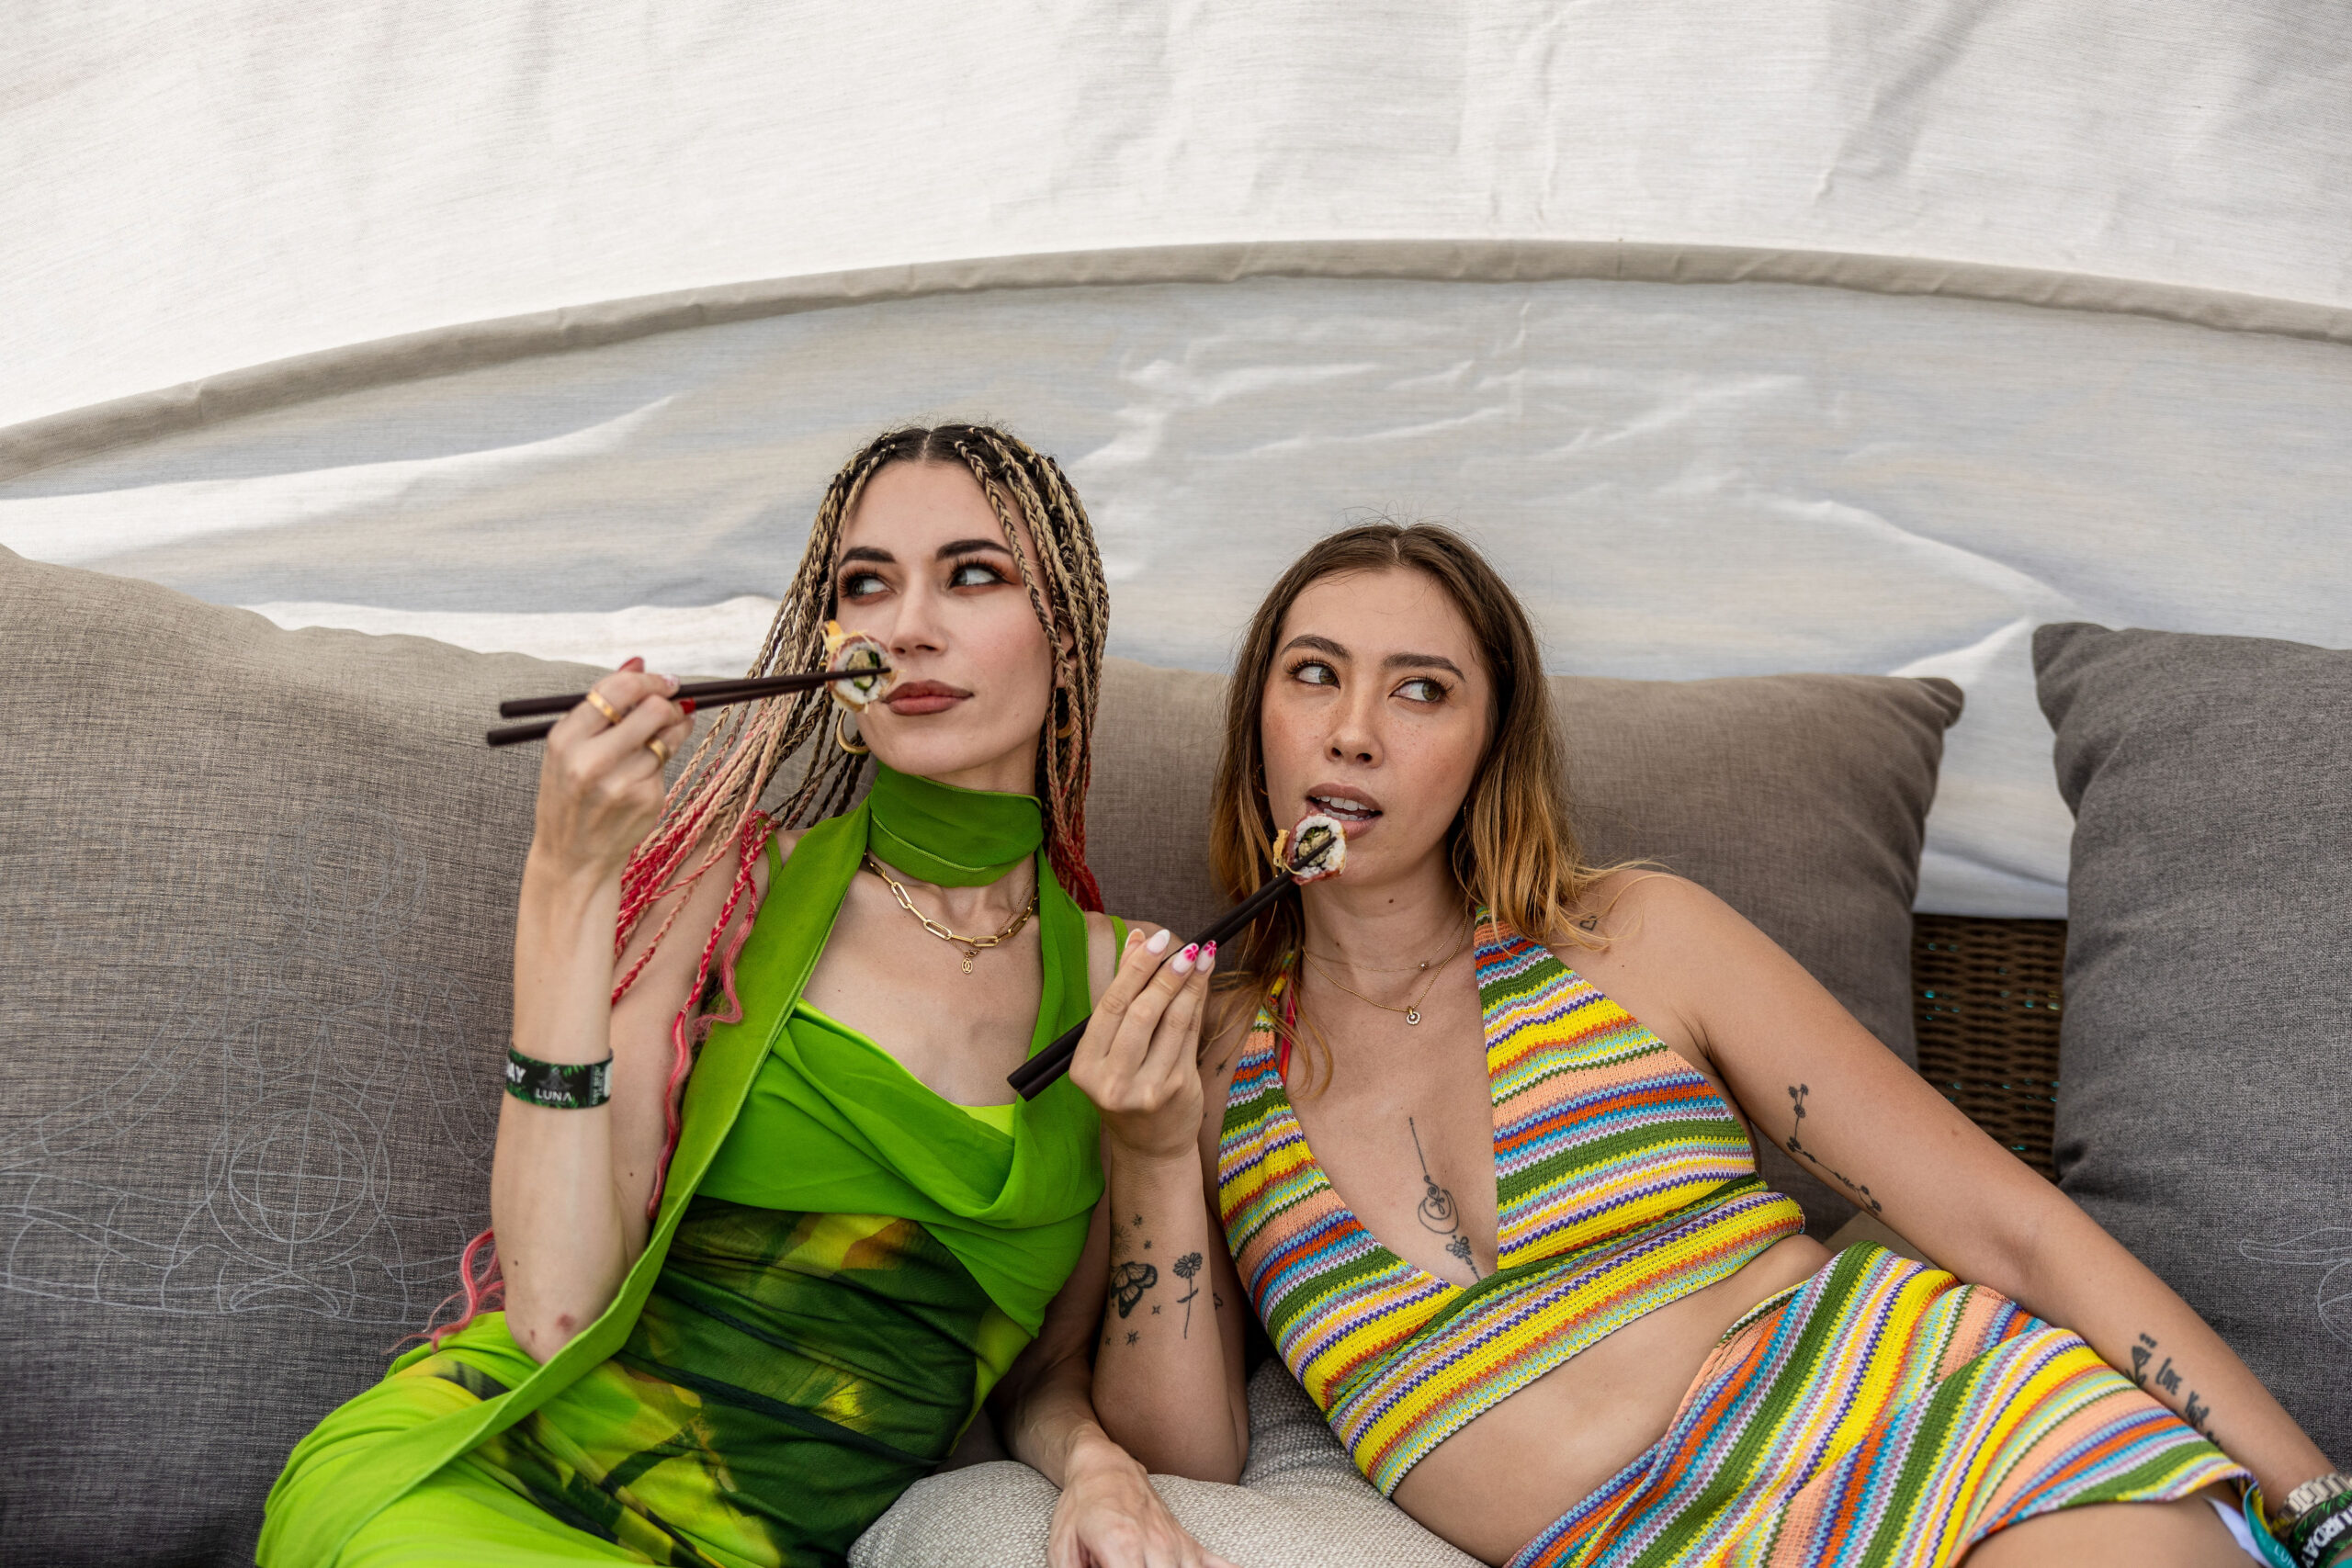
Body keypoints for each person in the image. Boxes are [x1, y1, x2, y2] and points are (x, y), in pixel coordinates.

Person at [1072, 521, 2347, 1568]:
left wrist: (2321, 1507)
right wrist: (1149, 1148)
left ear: (1487, 749)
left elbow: (2008, 1226)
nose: (1354, 729)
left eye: (1422, 689)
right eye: (1314, 673)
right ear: (1258, 719)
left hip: (1947, 1430)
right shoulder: (1201, 1054)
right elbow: (1186, 1457)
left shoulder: (1631, 937)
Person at [262, 423, 1227, 1568]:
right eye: (865, 584)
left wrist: (1098, 1469)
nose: (906, 626)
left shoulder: (1132, 984)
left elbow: (1044, 1376)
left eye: (973, 575)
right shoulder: (731, 887)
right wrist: (565, 886)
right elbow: (556, 1308)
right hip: (472, 1483)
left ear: (1067, 634)